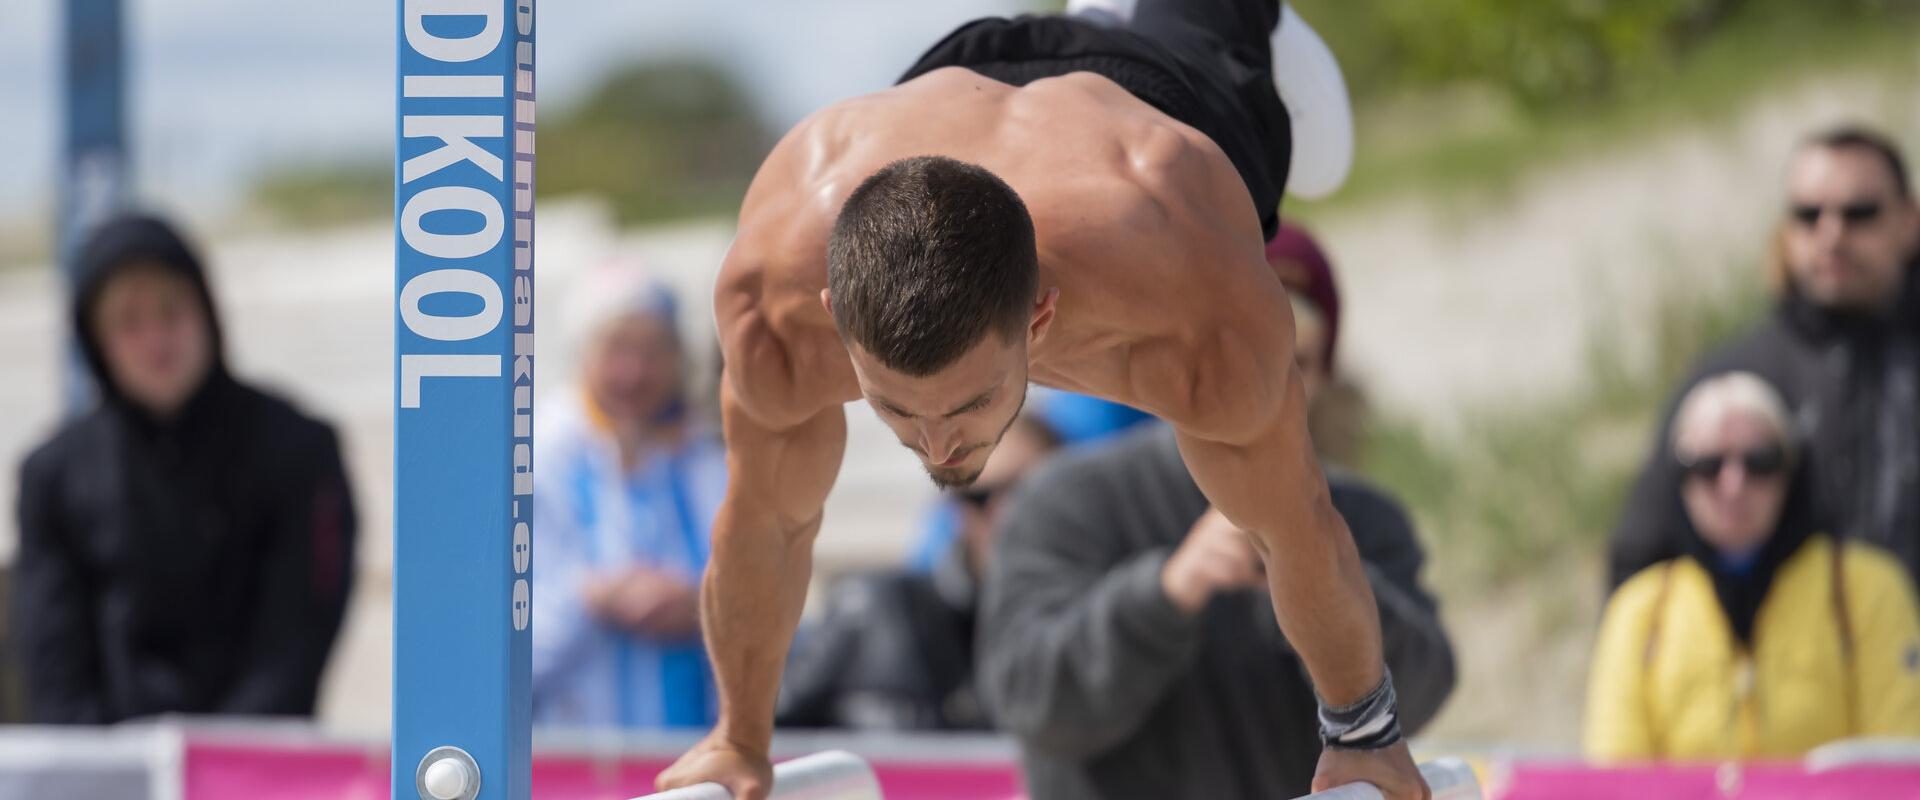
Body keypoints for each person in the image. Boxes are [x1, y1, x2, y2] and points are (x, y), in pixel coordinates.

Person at [653, 1, 1428, 797]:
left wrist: (1364, 736)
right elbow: (765, 527)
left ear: (1040, 317)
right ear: (832, 317)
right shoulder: (774, 312)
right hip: (943, 97)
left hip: (1164, 108)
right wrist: (737, 740)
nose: (937, 447)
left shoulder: (1187, 309)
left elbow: (1294, 529)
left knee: (1305, 140)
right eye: (896, 409)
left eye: (968, 404)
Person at [977, 313, 1454, 797]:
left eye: (1293, 361)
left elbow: (1422, 694)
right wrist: (1166, 595)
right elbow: (1029, 703)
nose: (1264, 378)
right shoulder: (1062, 500)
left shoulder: (1364, 514)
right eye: (1236, 352)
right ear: (1183, 359)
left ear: (1323, 373)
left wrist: (1319, 576)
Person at [11, 214, 356, 723]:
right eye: (129, 321)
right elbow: (53, 664)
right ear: (96, 340)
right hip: (106, 761)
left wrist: (215, 757)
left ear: (206, 311)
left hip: (258, 757)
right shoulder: (54, 477)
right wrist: (116, 760)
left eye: (171, 310)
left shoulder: (299, 448)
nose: (156, 340)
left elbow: (296, 643)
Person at [1611, 127, 1920, 590]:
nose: (1832, 234)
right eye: (1808, 215)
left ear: (1910, 221)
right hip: (1786, 635)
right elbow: (1641, 565)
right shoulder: (1732, 382)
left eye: (1860, 213)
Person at [1586, 372, 1920, 761]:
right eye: (1708, 466)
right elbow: (1614, 776)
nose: (1734, 485)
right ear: (1677, 480)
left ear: (1793, 471)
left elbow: (1900, 760)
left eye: (1760, 462)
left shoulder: (1865, 591)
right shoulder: (1641, 613)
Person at [531, 272, 726, 729]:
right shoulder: (537, 459)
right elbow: (507, 655)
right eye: (616, 348)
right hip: (565, 754)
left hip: (693, 749)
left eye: (654, 351)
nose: (635, 373)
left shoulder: (709, 458)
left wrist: (707, 609)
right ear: (582, 354)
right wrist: (595, 600)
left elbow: (775, 624)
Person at [776, 415, 1059, 731]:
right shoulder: (871, 610)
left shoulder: (1091, 630)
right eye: (978, 497)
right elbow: (764, 739)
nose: (1003, 515)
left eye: (1025, 493)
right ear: (957, 509)